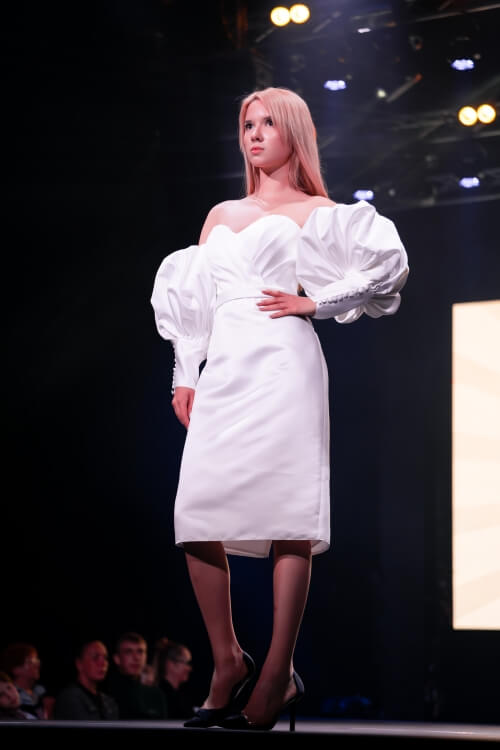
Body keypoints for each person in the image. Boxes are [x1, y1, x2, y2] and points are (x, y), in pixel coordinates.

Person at [150, 86, 409, 731]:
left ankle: (275, 674)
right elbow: (196, 298)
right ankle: (226, 660)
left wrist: (316, 303)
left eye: (268, 122)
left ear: (294, 131)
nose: (255, 134)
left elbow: (387, 267)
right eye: (247, 124)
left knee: (289, 516)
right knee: (194, 513)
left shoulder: (321, 212)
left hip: (285, 363)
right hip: (225, 365)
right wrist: (185, 374)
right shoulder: (221, 213)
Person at [107, 632, 168, 720]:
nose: (136, 657)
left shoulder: (156, 694)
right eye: (128, 652)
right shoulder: (107, 695)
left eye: (140, 652)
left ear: (146, 656)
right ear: (117, 659)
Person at [53, 639, 119, 720]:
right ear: (79, 664)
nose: (103, 663)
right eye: (95, 657)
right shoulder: (69, 698)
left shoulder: (108, 702)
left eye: (105, 658)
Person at [0, 642, 53, 719]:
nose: (37, 664)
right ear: (16, 669)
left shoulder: (40, 692)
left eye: (36, 660)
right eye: (30, 662)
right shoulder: (12, 707)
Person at [154, 641, 195, 720]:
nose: (190, 668)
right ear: (171, 664)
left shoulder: (180, 695)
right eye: (187, 663)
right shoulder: (160, 696)